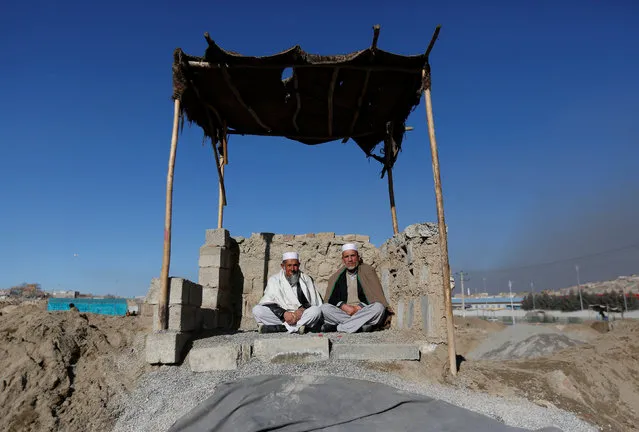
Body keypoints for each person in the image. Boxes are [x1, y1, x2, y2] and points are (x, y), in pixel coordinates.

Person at [321, 243, 390, 333]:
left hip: (363, 310)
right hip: (345, 312)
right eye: (346, 257)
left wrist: (358, 308)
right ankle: (360, 326)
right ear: (343, 259)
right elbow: (331, 298)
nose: (350, 259)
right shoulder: (337, 276)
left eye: (353, 256)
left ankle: (338, 328)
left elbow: (374, 295)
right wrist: (344, 306)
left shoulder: (368, 271)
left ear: (358, 257)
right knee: (324, 308)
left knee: (378, 308)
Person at [252, 251, 323, 334]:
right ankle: (297, 327)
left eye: (295, 265)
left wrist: (302, 310)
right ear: (283, 266)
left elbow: (312, 302)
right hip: (282, 315)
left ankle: (281, 328)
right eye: (289, 265)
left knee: (316, 311)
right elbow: (268, 302)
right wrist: (284, 314)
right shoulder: (274, 280)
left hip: (300, 316)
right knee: (257, 310)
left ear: (299, 265)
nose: (292, 269)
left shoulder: (306, 279)